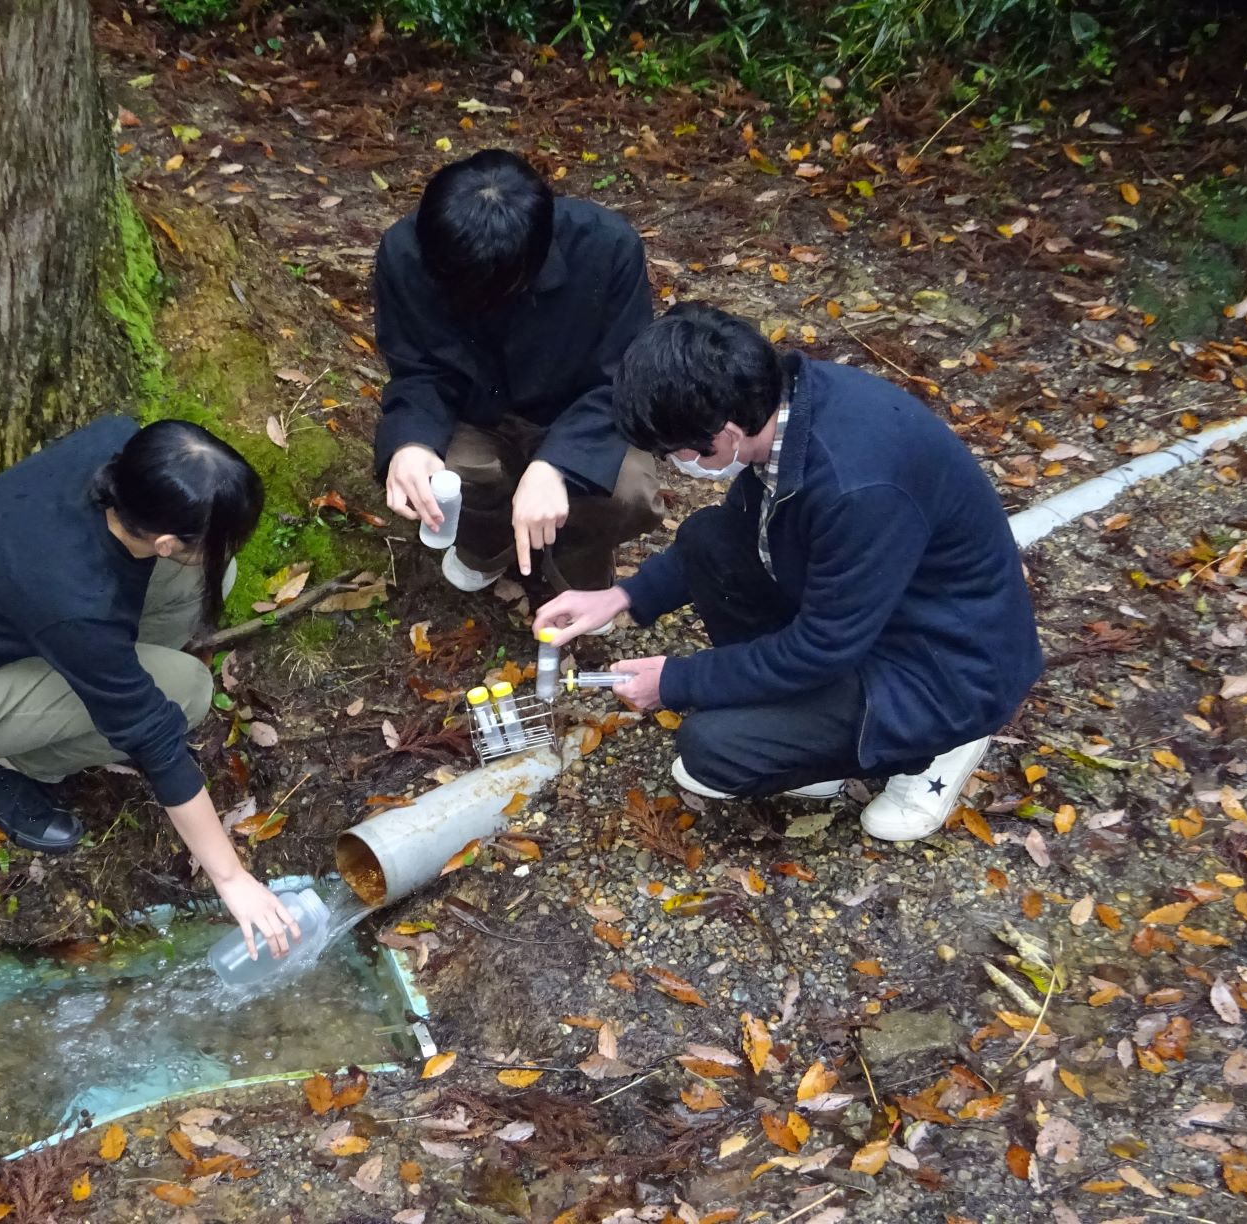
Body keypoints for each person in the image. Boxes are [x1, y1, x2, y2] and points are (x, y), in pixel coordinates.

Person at [534, 305, 1043, 841]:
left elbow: (822, 647)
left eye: (675, 450)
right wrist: (622, 596)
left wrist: (679, 681)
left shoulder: (856, 489)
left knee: (711, 752)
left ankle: (935, 748)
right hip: (871, 615)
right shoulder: (788, 401)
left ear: (726, 433)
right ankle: (815, 734)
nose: (672, 461)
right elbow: (743, 526)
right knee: (710, 538)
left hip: (945, 667)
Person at [0, 417, 301, 959]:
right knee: (184, 693)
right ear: (164, 541)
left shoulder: (121, 449)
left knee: (214, 575)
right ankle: (5, 763)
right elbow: (157, 745)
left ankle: (117, 675)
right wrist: (233, 879)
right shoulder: (75, 602)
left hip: (16, 622)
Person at [373, 148, 663, 596]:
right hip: (474, 414)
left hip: (578, 413)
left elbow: (624, 379)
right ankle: (485, 544)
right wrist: (411, 441)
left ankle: (578, 558)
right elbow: (415, 368)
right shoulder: (405, 253)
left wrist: (557, 465)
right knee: (452, 475)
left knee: (630, 490)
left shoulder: (607, 247)